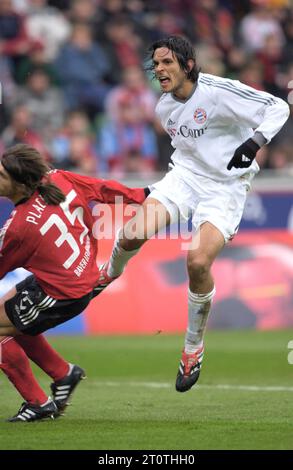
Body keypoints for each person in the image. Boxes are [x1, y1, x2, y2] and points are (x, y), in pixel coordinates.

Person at [95, 36, 290, 392]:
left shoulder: (219, 91)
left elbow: (279, 107)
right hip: (185, 177)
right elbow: (186, 151)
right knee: (130, 234)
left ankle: (192, 347)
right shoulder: (163, 108)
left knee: (198, 262)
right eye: (155, 65)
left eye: (167, 63)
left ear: (187, 64)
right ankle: (106, 275)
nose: (159, 70)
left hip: (225, 188)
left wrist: (252, 143)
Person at [0, 143, 148, 420]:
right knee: (12, 320)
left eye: (1, 175)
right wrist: (143, 194)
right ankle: (63, 374)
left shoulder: (19, 228)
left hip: (60, 293)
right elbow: (103, 188)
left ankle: (38, 403)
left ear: (20, 184)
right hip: (74, 278)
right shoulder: (59, 178)